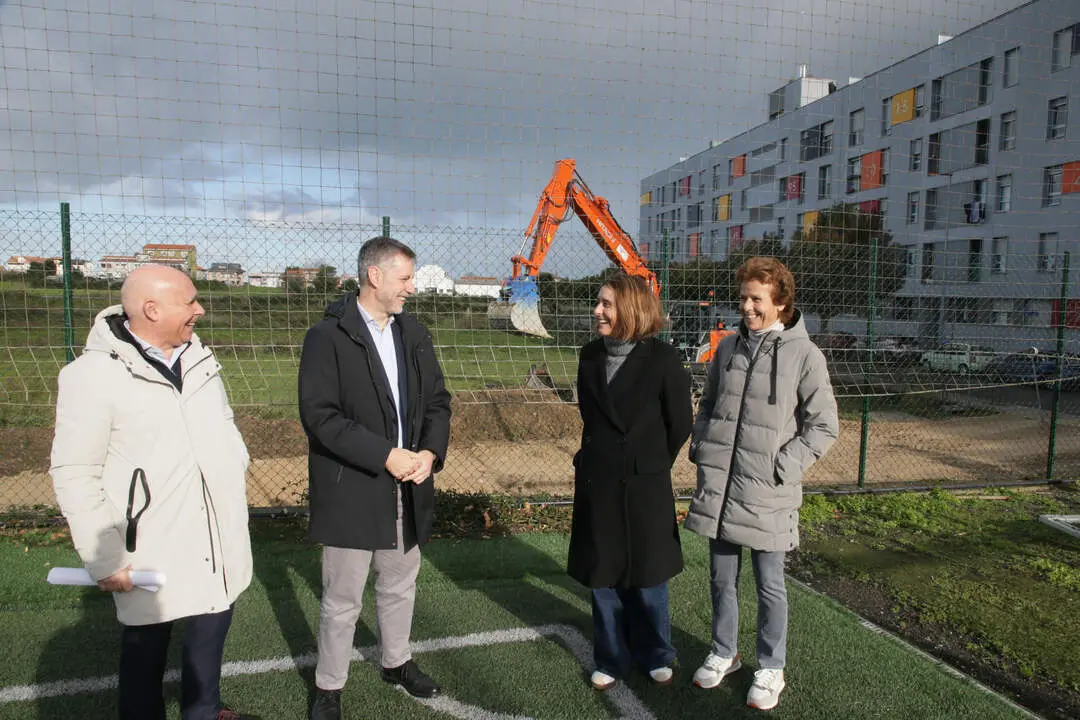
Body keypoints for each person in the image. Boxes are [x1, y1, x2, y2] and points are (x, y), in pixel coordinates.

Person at [49, 265, 254, 720]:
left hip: (218, 542)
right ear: (152, 309)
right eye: (190, 301)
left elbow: (222, 432)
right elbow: (74, 471)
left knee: (206, 663)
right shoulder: (90, 376)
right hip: (149, 551)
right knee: (144, 666)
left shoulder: (201, 359)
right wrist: (105, 558)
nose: (199, 309)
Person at [299, 236, 451, 720]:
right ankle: (329, 685)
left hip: (411, 484)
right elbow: (320, 416)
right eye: (405, 278)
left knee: (400, 583)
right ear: (375, 276)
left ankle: (396, 661)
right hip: (353, 488)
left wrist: (429, 451)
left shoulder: (414, 333)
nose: (411, 288)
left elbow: (438, 403)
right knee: (343, 595)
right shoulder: (327, 337)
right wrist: (386, 456)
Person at [685, 256, 838, 711]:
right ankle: (724, 653)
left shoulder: (805, 355)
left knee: (769, 583)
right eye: (744, 298)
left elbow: (824, 425)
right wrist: (702, 444)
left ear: (781, 302)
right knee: (720, 578)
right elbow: (709, 404)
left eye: (757, 299)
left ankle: (771, 667)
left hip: (769, 491)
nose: (747, 307)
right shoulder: (729, 348)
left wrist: (782, 467)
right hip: (722, 488)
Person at [567, 273, 693, 691]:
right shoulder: (588, 356)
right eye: (598, 303)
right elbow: (590, 417)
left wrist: (650, 462)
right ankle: (611, 656)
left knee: (648, 574)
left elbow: (680, 423)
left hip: (645, 484)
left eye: (606, 304)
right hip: (599, 481)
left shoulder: (663, 359)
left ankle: (657, 652)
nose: (597, 311)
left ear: (632, 310)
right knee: (604, 575)